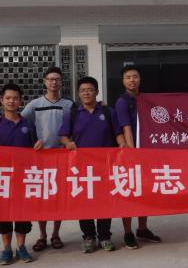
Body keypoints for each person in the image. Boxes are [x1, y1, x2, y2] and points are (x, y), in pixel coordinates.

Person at [60, 77, 127, 253]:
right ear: (78, 93)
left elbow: (117, 133)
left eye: (90, 90)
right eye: (83, 90)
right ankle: (89, 237)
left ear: (96, 92)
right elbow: (63, 136)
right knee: (84, 202)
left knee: (105, 201)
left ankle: (104, 237)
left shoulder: (107, 111)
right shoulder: (73, 114)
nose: (86, 93)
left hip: (105, 165)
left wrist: (122, 145)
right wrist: (68, 143)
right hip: (82, 167)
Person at [0, 83, 43, 264]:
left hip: (23, 177)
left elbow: (35, 146)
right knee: (4, 216)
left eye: (15, 98)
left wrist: (39, 145)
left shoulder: (28, 124)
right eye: (8, 98)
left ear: (21, 101)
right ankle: (6, 249)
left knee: (22, 215)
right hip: (3, 180)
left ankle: (21, 247)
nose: (11, 101)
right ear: (2, 100)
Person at [21, 67, 74, 252]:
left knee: (58, 197)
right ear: (45, 82)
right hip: (40, 158)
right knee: (42, 198)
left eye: (57, 79)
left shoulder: (69, 105)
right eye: (50, 79)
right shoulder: (34, 104)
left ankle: (56, 234)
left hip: (61, 157)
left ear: (61, 82)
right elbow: (19, 122)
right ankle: (42, 235)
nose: (54, 82)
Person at [115, 65, 161, 249]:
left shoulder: (146, 99)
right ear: (123, 81)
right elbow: (126, 127)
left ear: (140, 79)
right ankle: (128, 232)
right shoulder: (122, 102)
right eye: (128, 77)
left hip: (147, 152)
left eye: (135, 76)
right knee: (129, 193)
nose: (132, 80)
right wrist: (133, 153)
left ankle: (142, 228)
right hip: (131, 154)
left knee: (145, 192)